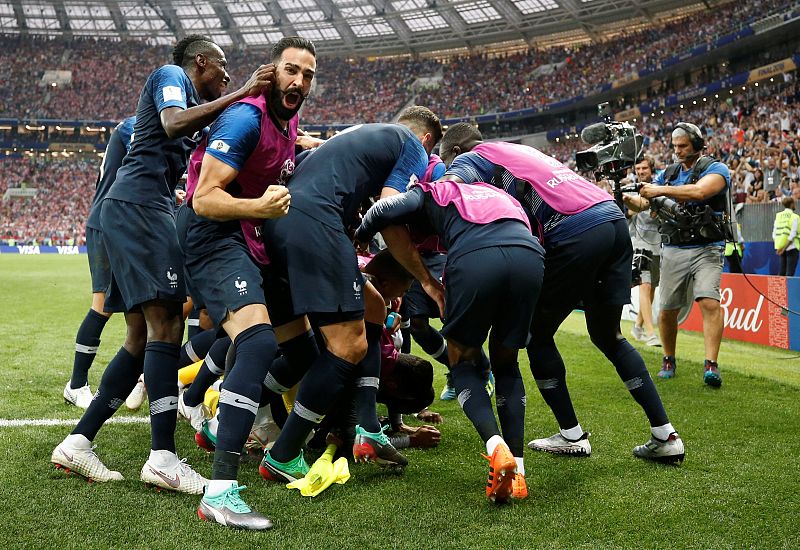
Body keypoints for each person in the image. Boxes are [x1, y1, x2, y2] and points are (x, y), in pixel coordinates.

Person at [51, 35, 273, 491]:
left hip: (133, 209)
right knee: (167, 326)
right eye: (224, 67)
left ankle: (78, 442)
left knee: (139, 336)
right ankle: (162, 457)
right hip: (138, 210)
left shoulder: (197, 108)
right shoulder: (171, 77)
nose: (228, 75)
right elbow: (171, 124)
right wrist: (244, 90)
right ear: (201, 62)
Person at [439, 123, 684, 464]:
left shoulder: (475, 156)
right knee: (608, 335)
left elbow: (447, 187)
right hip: (610, 220)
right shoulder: (519, 150)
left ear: (454, 151)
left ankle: (572, 435)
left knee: (537, 336)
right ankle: (665, 434)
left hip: (573, 227)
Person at [183, 36, 317, 530]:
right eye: (290, 70)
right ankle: (219, 492)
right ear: (272, 72)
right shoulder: (246, 117)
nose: (298, 81)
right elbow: (204, 198)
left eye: (307, 74)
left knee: (302, 349)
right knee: (258, 342)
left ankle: (223, 418)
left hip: (249, 239)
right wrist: (258, 208)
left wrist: (309, 150)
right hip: (213, 234)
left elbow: (280, 160)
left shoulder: (289, 120)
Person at [258, 115, 437, 483]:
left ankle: (225, 421)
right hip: (316, 221)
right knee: (349, 344)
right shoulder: (413, 146)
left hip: (278, 218)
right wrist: (426, 279)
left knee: (365, 313)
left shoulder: (351, 139)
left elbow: (304, 170)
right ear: (426, 138)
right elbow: (389, 209)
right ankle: (284, 454)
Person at [355, 176, 544, 502]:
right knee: (507, 365)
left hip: (475, 257)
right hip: (529, 254)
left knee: (462, 361)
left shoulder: (434, 191)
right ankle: (519, 475)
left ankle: (496, 447)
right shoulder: (500, 194)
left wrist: (360, 237)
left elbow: (384, 211)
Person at [639, 122, 731, 388]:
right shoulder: (668, 173)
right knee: (667, 310)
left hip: (708, 247)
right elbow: (645, 203)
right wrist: (624, 195)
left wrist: (659, 190)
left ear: (698, 145)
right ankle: (668, 358)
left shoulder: (716, 169)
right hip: (674, 247)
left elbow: (700, 192)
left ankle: (710, 365)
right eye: (675, 146)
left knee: (709, 301)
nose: (678, 151)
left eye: (683, 146)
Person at [63, 115, 135, 409]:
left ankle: (132, 380)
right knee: (103, 304)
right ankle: (76, 383)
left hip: (126, 224)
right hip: (108, 223)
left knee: (140, 309)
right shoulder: (136, 126)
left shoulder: (135, 125)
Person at [624, 156, 662, 347]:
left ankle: (637, 326)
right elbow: (630, 211)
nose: (640, 171)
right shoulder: (631, 189)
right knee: (645, 286)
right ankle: (650, 333)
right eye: (638, 168)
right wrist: (628, 201)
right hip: (639, 246)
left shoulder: (658, 187)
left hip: (658, 245)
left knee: (652, 287)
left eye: (644, 168)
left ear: (651, 169)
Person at [773, 196, 799, 276]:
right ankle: (788, 289)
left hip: (780, 248)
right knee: (789, 274)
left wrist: (780, 248)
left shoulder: (778, 216)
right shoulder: (795, 217)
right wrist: (784, 249)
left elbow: (774, 234)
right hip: (791, 247)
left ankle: (779, 289)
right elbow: (792, 235)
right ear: (791, 204)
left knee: (781, 273)